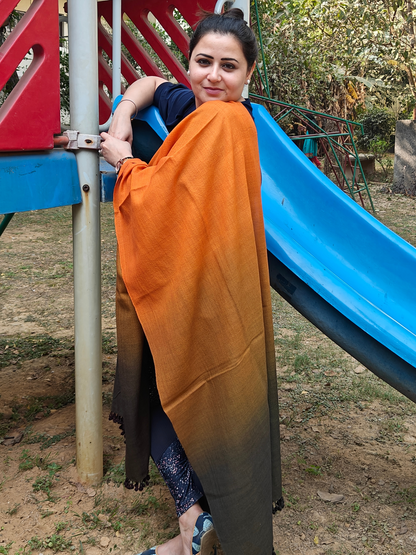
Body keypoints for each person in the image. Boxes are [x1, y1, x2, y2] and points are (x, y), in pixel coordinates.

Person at [100, 9, 283, 555]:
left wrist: (125, 160)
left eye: (229, 67)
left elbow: (158, 200)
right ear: (190, 65)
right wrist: (126, 110)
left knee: (188, 395)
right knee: (165, 389)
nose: (213, 76)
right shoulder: (192, 103)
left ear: (248, 75)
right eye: (202, 62)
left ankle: (194, 525)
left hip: (211, 290)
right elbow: (153, 84)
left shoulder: (228, 122)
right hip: (183, 280)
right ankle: (194, 524)